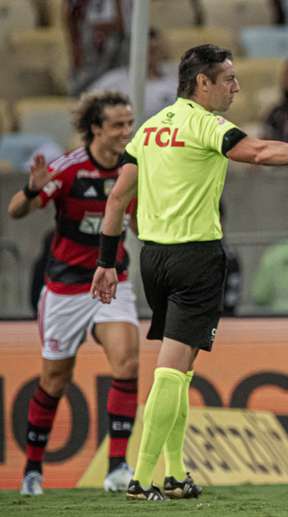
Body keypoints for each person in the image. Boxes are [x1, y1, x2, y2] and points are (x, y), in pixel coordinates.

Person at [89, 44, 288, 501]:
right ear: (203, 84)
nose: (236, 87)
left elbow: (117, 200)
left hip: (152, 258)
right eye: (229, 79)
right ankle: (141, 477)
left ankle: (174, 473)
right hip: (195, 258)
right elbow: (257, 152)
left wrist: (105, 261)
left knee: (182, 369)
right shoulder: (206, 125)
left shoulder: (149, 129)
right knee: (170, 372)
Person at [7, 91, 139, 496]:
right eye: (117, 125)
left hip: (112, 281)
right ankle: (32, 468)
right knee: (54, 380)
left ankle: (117, 467)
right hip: (66, 287)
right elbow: (16, 211)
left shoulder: (135, 167)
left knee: (127, 362)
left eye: (129, 123)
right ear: (95, 128)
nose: (125, 132)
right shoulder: (69, 169)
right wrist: (31, 191)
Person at [88, 27, 177, 121]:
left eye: (152, 51)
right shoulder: (112, 82)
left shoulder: (173, 86)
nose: (147, 55)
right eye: (144, 50)